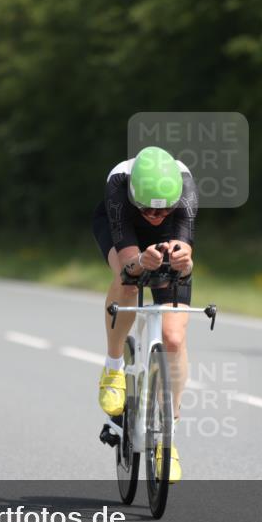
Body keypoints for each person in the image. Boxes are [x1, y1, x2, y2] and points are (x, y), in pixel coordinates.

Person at [93, 146, 198, 483]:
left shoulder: (184, 191)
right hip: (124, 233)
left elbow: (187, 254)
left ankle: (169, 434)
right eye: (149, 210)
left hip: (166, 241)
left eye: (164, 210)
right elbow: (128, 265)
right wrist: (140, 262)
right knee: (129, 283)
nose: (156, 215)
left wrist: (183, 262)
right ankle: (113, 368)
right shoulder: (119, 185)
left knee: (174, 337)